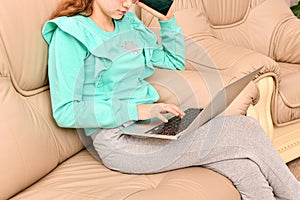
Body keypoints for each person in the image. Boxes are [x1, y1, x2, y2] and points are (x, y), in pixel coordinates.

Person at [42, 0, 300, 199]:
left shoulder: (128, 24)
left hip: (151, 128)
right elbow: (66, 111)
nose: (127, 4)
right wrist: (138, 110)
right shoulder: (71, 34)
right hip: (118, 142)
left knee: (242, 166)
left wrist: (167, 20)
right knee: (246, 129)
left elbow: (173, 61)